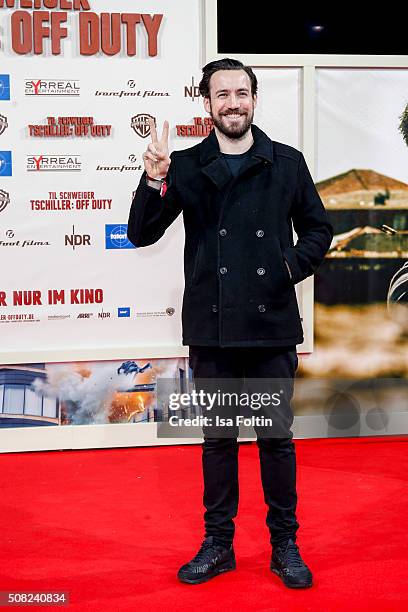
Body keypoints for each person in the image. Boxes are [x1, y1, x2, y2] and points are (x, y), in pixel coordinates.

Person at [127, 58, 333, 588]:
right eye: (223, 95)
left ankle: (284, 544)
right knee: (217, 441)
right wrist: (153, 179)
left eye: (242, 92)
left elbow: (317, 228)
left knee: (274, 439)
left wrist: (288, 266)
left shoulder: (286, 163)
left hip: (269, 329)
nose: (234, 102)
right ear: (207, 103)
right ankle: (218, 544)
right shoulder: (189, 166)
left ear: (255, 99)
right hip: (214, 329)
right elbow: (141, 233)